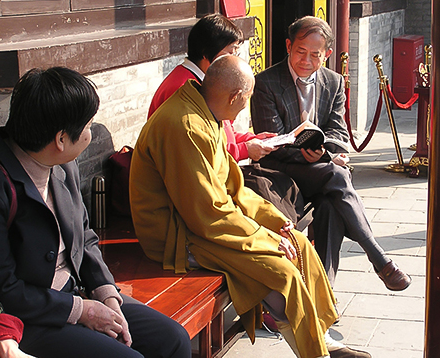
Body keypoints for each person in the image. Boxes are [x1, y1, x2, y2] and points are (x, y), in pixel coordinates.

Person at [130, 55, 370, 358]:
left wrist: (275, 222)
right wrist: (268, 240)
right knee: (278, 271)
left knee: (297, 241)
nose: (245, 106)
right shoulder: (187, 126)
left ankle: (320, 338)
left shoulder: (205, 113)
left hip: (202, 220)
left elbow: (234, 188)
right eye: (246, 98)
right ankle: (315, 353)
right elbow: (208, 214)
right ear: (235, 96)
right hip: (178, 235)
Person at [0, 67, 191, 358]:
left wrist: (107, 293)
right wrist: (82, 311)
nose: (91, 133)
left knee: (172, 339)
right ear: (61, 139)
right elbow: (2, 286)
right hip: (32, 315)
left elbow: (86, 239)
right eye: (89, 125)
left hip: (79, 291)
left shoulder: (63, 164)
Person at [251, 16, 412, 289]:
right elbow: (273, 142)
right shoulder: (265, 83)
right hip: (281, 173)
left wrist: (327, 150)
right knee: (336, 176)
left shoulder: (334, 82)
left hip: (321, 171)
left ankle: (324, 294)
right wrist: (308, 155)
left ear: (326, 55)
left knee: (329, 206)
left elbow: (339, 132)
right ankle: (377, 256)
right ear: (289, 46)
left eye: (315, 54)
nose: (306, 60)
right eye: (300, 51)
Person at [148, 13, 304, 224]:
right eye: (229, 52)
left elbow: (221, 133)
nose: (234, 60)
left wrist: (249, 139)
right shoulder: (184, 90)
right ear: (206, 52)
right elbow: (201, 150)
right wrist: (245, 150)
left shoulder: (199, 81)